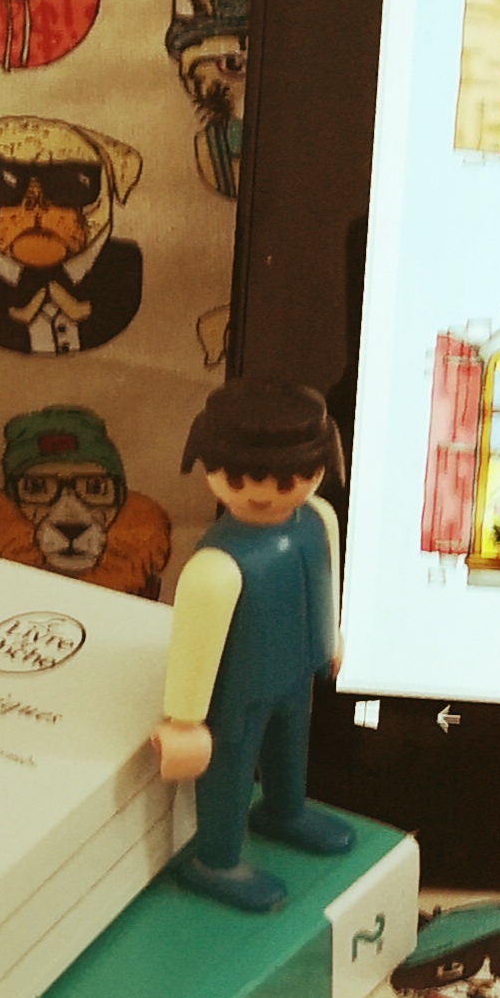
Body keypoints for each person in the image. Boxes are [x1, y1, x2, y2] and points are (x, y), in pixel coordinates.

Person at [152, 379, 357, 913]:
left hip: (296, 671)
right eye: (239, 478)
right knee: (230, 769)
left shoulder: (319, 520)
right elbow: (194, 641)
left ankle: (285, 812)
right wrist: (184, 721)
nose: (262, 493)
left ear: (320, 467)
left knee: (292, 747)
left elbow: (328, 580)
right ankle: (216, 858)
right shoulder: (215, 565)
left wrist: (331, 638)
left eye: (287, 479)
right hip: (236, 693)